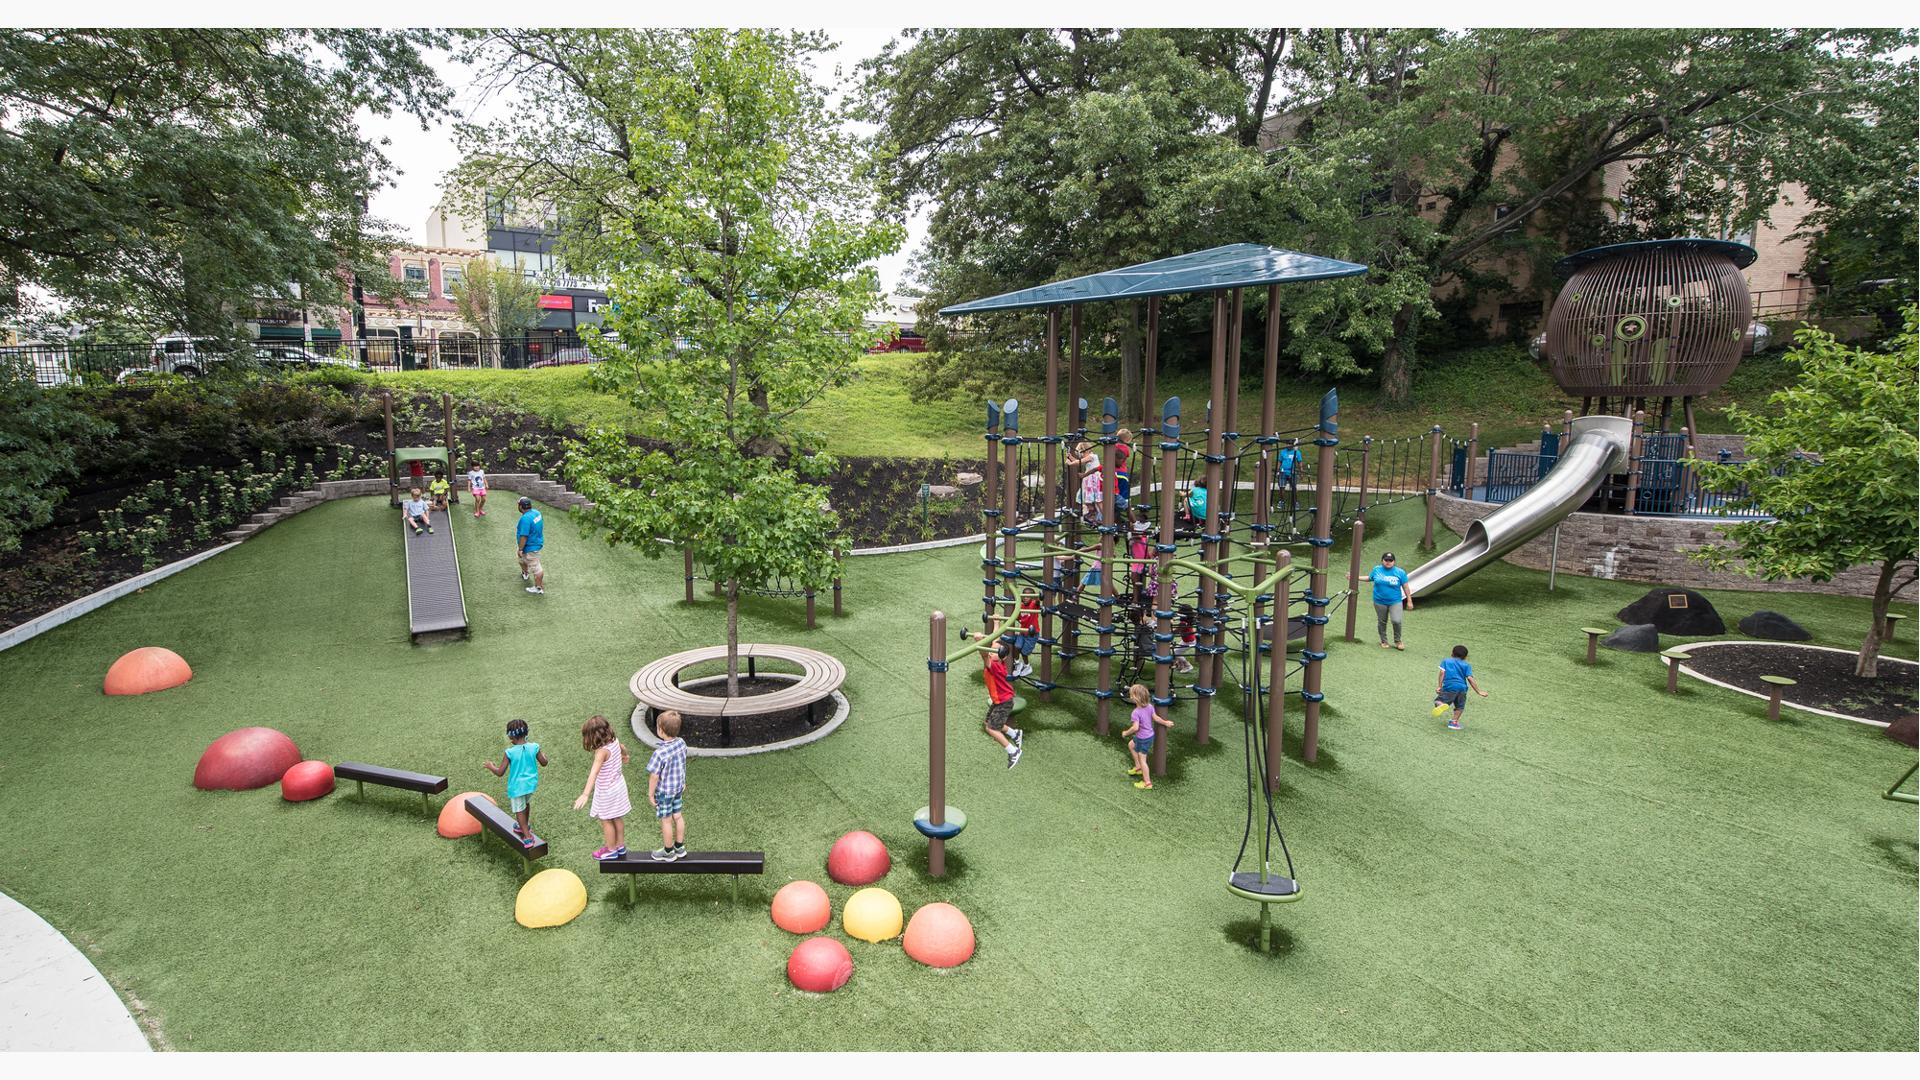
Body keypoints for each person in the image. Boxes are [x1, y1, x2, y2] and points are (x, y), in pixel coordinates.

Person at [573, 715, 631, 861]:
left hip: (607, 791)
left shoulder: (601, 752)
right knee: (617, 817)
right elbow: (622, 747)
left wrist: (585, 794)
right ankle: (620, 846)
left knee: (606, 820)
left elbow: (594, 772)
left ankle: (611, 849)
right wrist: (625, 755)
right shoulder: (614, 741)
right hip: (619, 786)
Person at [481, 719, 548, 844]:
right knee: (526, 804)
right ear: (526, 732)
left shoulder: (509, 752)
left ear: (511, 737)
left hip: (517, 787)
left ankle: (527, 837)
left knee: (519, 810)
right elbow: (544, 762)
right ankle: (524, 825)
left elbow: (500, 772)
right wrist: (545, 756)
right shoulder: (534, 747)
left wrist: (491, 767)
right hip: (530, 785)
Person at [646, 710, 689, 861]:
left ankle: (669, 851)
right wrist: (683, 781)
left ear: (661, 730)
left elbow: (654, 776)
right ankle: (680, 847)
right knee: (678, 816)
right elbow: (682, 764)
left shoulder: (660, 753)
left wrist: (651, 794)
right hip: (678, 789)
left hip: (665, 792)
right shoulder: (681, 743)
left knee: (666, 820)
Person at [980, 638, 1025, 768]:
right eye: (991, 648)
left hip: (1003, 702)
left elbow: (983, 654)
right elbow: (996, 638)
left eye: (994, 651)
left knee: (991, 728)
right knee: (988, 723)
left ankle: (1013, 751)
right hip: (1000, 700)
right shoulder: (998, 662)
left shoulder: (994, 666)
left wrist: (978, 641)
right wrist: (996, 622)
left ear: (1002, 656)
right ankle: (1015, 733)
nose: (990, 652)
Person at [1122, 683, 1174, 789]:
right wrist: (1165, 722)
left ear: (1134, 698)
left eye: (1131, 694)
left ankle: (1147, 783)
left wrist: (1126, 733)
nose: (1130, 696)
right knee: (1131, 745)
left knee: (1143, 759)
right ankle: (1138, 768)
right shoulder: (1149, 707)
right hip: (1148, 736)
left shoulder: (1135, 713)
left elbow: (1135, 728)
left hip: (1142, 738)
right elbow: (1156, 718)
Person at [1431, 644, 1489, 730]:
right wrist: (1478, 691)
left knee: (1438, 700)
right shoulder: (1466, 665)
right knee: (1460, 706)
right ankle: (1453, 722)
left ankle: (1440, 704)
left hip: (1450, 686)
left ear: (1452, 653)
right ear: (1465, 657)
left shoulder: (1446, 661)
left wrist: (1439, 686)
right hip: (1462, 688)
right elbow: (1470, 678)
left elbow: (1442, 673)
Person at [1368, 551, 1413, 650]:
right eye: (1386, 560)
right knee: (1382, 621)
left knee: (1396, 621)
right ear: (1382, 561)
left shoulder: (1400, 572)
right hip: (1379, 601)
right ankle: (1383, 640)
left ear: (1394, 561)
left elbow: (1406, 587)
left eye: (1390, 560)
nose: (1388, 562)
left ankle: (1398, 641)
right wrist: (1354, 578)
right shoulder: (1376, 570)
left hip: (1395, 601)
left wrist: (1409, 601)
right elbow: (1369, 578)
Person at [515, 496, 545, 595]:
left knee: (537, 568)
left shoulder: (525, 519)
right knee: (521, 560)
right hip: (533, 544)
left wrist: (520, 548)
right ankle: (525, 573)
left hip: (530, 547)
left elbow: (524, 536)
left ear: (521, 507)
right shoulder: (537, 513)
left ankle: (538, 588)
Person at [1073, 440, 1103, 523]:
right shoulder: (1088, 457)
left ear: (1086, 450)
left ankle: (1095, 514)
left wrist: (1070, 462)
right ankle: (1091, 513)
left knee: (1093, 499)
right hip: (1089, 481)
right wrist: (1070, 458)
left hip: (1093, 482)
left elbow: (1078, 462)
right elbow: (1079, 462)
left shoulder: (1092, 456)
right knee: (1086, 498)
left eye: (1081, 454)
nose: (1081, 456)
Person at [1277, 438, 1303, 510]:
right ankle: (1281, 501)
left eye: (1290, 444)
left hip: (1293, 472)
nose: (1288, 445)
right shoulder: (1283, 452)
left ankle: (1295, 502)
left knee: (1294, 488)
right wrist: (1277, 470)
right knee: (1282, 487)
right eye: (1287, 444)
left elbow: (1300, 462)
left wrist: (1301, 472)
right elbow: (1279, 461)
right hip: (1283, 472)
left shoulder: (1297, 452)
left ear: (1293, 445)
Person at [1113, 428, 1133, 508]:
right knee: (1124, 493)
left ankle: (1116, 506)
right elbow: (1126, 455)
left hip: (1113, 473)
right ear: (1127, 440)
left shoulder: (1113, 446)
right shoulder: (1125, 448)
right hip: (1122, 474)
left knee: (1115, 492)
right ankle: (1125, 505)